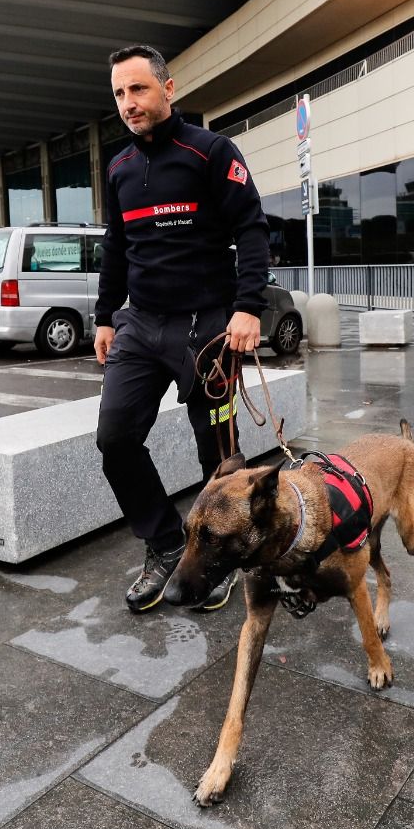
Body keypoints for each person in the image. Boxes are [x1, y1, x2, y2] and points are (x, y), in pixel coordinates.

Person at [94, 44, 270, 614]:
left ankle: (219, 560)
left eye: (139, 89)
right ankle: (167, 546)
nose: (129, 103)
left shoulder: (211, 152)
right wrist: (103, 315)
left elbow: (252, 229)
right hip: (139, 327)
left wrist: (248, 307)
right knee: (115, 441)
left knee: (217, 458)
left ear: (168, 89)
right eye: (120, 93)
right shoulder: (118, 167)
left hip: (208, 330)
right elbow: (117, 247)